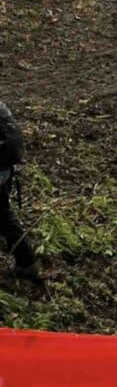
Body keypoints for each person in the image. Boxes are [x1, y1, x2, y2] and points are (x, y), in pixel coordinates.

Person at [0, 101, 38, 280]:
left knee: (4, 217)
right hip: (5, 168)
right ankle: (27, 262)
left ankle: (27, 262)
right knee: (3, 215)